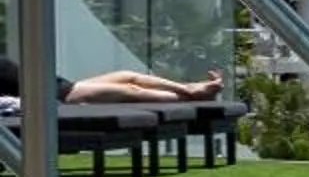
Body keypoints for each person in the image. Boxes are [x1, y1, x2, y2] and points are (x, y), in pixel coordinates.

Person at [0, 57, 223, 105]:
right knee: (131, 89)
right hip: (62, 97)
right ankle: (190, 97)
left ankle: (188, 88)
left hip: (63, 86)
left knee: (126, 75)